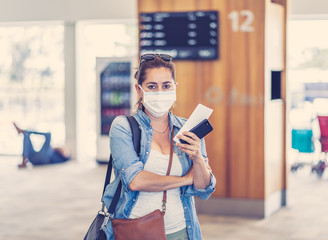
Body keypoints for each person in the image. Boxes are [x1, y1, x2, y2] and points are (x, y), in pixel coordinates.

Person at [102, 53, 216, 240]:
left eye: (166, 86)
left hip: (183, 231)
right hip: (136, 231)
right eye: (152, 86)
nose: (160, 92)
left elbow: (204, 188)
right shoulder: (123, 127)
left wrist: (197, 157)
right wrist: (185, 179)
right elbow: (136, 181)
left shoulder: (187, 128)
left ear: (175, 88)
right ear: (139, 90)